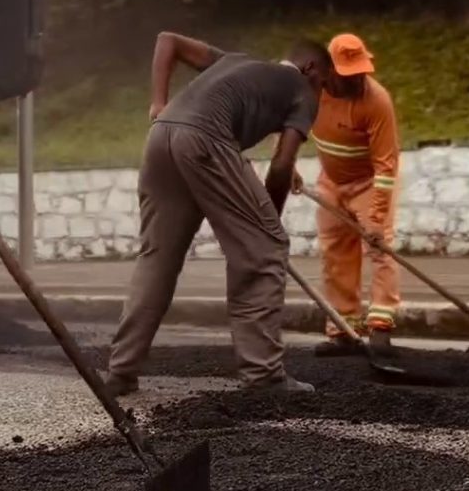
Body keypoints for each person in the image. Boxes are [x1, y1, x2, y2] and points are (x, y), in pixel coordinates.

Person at [104, 32, 331, 397]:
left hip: (161, 138)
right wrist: (266, 227)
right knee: (265, 250)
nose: (323, 94)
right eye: (325, 84)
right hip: (204, 140)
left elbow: (166, 40)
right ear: (310, 68)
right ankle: (265, 377)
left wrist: (159, 103)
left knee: (157, 259)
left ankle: (121, 371)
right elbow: (282, 164)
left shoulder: (235, 61)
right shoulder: (303, 91)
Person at [306, 33, 401, 358]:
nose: (357, 79)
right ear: (329, 71)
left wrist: (376, 218)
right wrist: (284, 161)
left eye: (361, 71)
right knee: (335, 254)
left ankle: (380, 328)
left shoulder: (376, 101)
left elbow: (386, 166)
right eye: (349, 74)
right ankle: (344, 330)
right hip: (330, 183)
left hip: (367, 183)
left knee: (380, 250)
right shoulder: (312, 90)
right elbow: (287, 123)